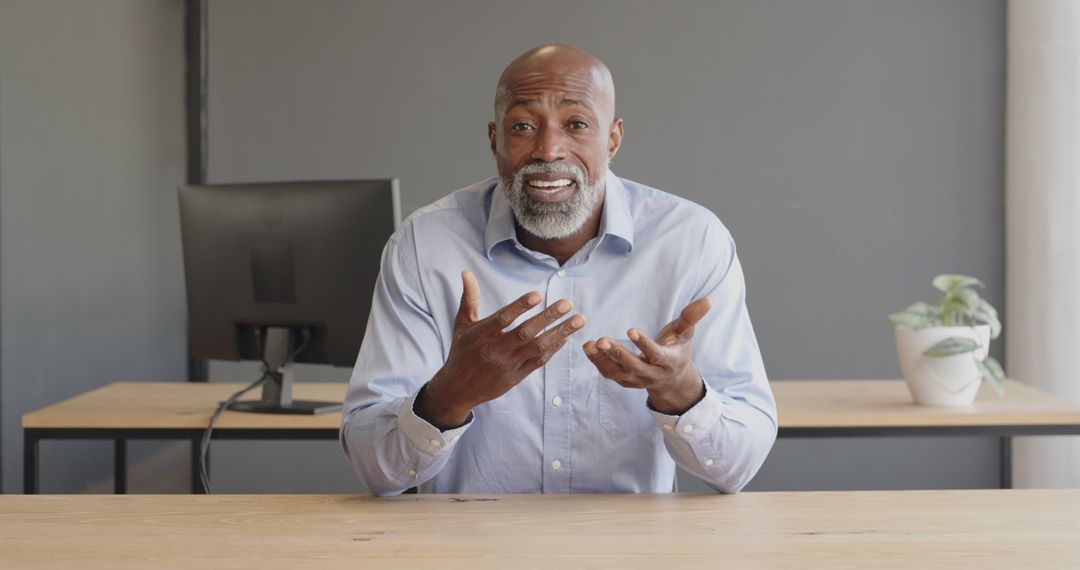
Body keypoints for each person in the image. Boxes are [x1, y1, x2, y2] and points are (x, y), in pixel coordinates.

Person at [340, 44, 776, 495]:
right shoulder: (425, 245)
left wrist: (683, 392)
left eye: (577, 125)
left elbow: (737, 467)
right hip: (470, 552)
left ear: (613, 138)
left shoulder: (691, 241)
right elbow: (377, 472)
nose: (548, 150)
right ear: (495, 140)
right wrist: (449, 395)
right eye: (523, 126)